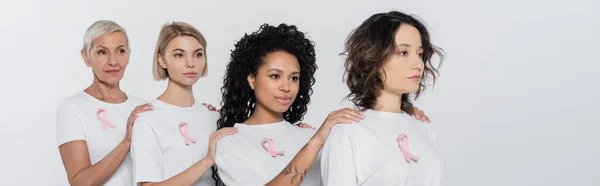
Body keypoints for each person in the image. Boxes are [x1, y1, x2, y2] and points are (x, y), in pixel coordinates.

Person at [213, 23, 432, 186]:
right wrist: (317, 139)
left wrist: (402, 120)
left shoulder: (311, 135)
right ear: (251, 79)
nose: (286, 87)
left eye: (294, 78)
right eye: (274, 76)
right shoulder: (231, 142)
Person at [320, 11, 446, 186]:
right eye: (403, 52)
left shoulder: (423, 126)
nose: (418, 64)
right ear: (374, 58)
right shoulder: (348, 132)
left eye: (419, 54)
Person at [130, 21, 237, 186]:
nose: (190, 63)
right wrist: (207, 160)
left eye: (198, 54)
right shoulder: (147, 120)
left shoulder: (214, 116)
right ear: (162, 60)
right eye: (179, 55)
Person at [57, 20, 152, 186]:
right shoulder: (73, 108)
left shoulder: (143, 108)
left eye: (120, 51)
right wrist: (126, 142)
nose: (113, 61)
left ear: (129, 54)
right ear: (86, 57)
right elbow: (80, 183)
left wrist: (209, 116)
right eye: (102, 52)